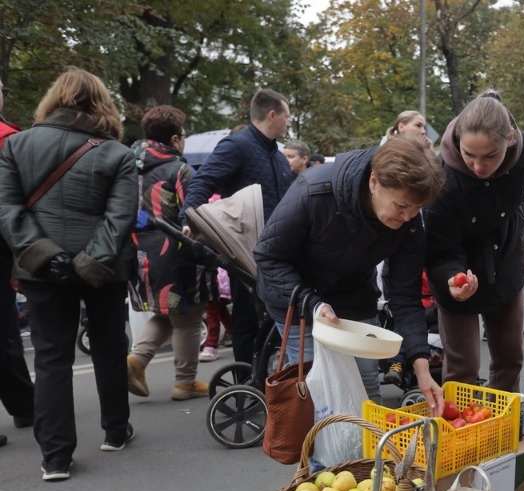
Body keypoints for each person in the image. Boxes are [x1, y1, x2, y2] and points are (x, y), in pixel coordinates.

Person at [0, 67, 140, 481]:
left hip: (40, 271)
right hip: (103, 270)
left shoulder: (17, 145)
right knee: (110, 348)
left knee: (51, 360)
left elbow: (7, 211)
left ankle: (56, 457)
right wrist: (85, 261)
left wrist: (44, 256)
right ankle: (115, 430)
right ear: (101, 103)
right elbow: (119, 219)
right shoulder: (117, 153)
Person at [254, 135, 446, 414]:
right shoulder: (314, 190)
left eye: (417, 209)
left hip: (353, 295)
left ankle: (369, 455)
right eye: (401, 206)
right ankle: (320, 457)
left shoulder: (410, 223)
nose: (408, 217)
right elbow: (267, 254)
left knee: (365, 387)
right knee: (318, 393)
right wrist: (312, 303)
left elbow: (405, 295)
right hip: (296, 301)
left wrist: (421, 366)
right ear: (374, 183)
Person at [423, 90, 524, 393]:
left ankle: (501, 425)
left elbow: (520, 198)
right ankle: (459, 433)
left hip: (506, 259)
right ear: (457, 140)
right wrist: (452, 279)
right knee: (463, 366)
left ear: (510, 138)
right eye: (468, 154)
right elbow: (440, 248)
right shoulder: (440, 179)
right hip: (458, 265)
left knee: (510, 356)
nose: (478, 165)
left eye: (490, 155)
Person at [181, 89, 293, 364]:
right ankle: (248, 381)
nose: (289, 122)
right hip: (246, 251)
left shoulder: (278, 157)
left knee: (277, 320)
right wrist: (189, 220)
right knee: (246, 319)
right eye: (287, 116)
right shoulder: (237, 146)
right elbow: (202, 182)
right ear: (272, 115)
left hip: (279, 252)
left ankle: (270, 381)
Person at [126, 106, 214, 401]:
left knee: (167, 313)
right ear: (175, 139)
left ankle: (136, 360)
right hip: (176, 253)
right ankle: (185, 382)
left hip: (140, 253)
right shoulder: (178, 168)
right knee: (188, 315)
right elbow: (193, 212)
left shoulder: (128, 164)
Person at [0, 77, 35, 448]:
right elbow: (16, 200)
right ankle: (24, 404)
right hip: (4, 241)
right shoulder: (8, 138)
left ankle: (24, 403)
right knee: (6, 330)